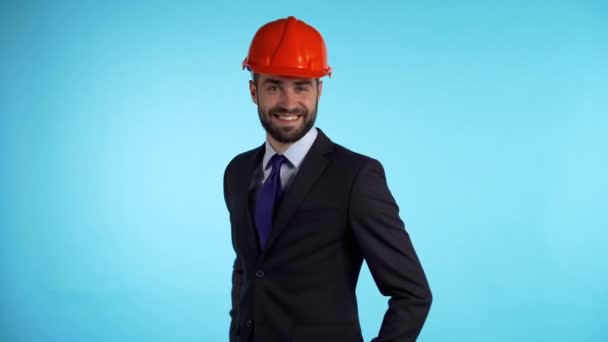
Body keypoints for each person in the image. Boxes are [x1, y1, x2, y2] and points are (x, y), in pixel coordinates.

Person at [223, 16, 432, 342]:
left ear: (320, 89)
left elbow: (413, 294)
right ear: (254, 90)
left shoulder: (356, 177)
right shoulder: (236, 173)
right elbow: (248, 269)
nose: (289, 103)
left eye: (301, 86)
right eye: (274, 86)